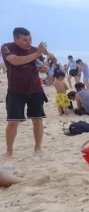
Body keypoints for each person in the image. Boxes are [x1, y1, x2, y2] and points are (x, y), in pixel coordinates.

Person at [1, 27, 51, 158]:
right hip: (15, 91)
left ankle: (38, 148)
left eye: (30, 39)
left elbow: (44, 65)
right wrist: (36, 54)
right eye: (24, 40)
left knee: (37, 120)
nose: (28, 43)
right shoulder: (7, 47)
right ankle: (9, 151)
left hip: (35, 89)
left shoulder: (35, 50)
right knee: (13, 122)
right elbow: (15, 61)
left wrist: (45, 68)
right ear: (15, 39)